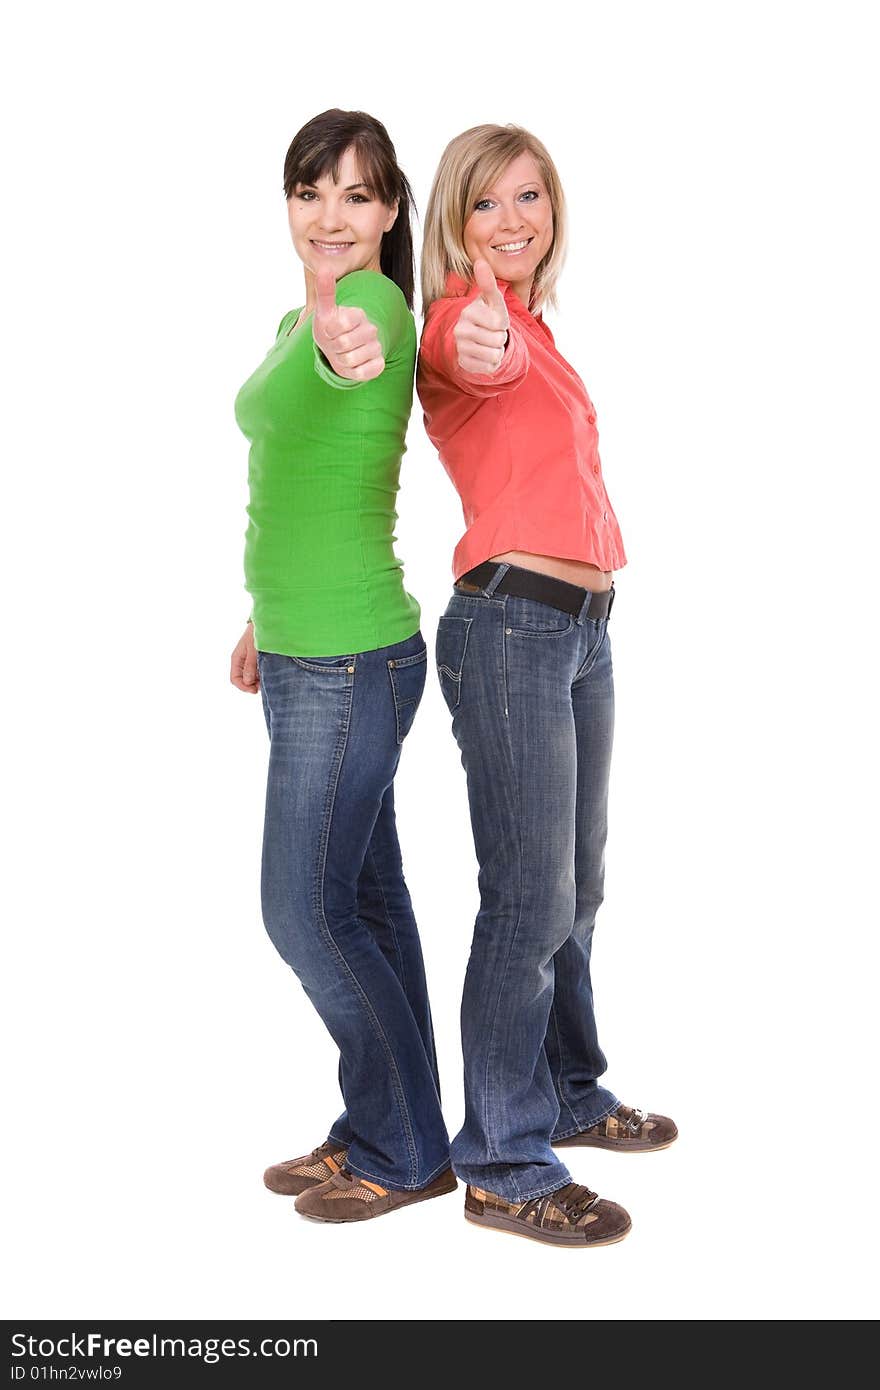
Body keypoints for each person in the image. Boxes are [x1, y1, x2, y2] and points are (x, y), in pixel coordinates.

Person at [417, 123, 677, 1247]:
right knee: (526, 898)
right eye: (485, 204)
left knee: (576, 884)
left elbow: (519, 356)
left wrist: (509, 332)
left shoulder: (538, 325)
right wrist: (479, 335)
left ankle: (567, 1090)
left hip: (583, 630)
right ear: (454, 222)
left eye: (529, 195)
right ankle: (504, 1162)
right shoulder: (456, 323)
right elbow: (477, 356)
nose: (512, 218)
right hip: (511, 627)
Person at [231, 109, 454, 1223]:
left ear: (390, 211)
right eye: (311, 189)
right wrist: (260, 618)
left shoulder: (359, 309)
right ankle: (395, 1125)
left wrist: (336, 341)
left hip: (347, 662)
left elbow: (345, 360)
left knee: (303, 912)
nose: (329, 214)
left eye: (356, 195)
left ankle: (402, 1143)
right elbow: (309, 474)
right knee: (365, 900)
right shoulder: (301, 312)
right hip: (313, 646)